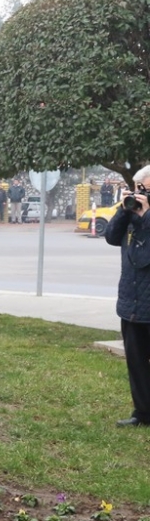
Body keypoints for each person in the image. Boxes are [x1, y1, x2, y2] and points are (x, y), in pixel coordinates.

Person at [105, 169, 150, 429]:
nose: (139, 194)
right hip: (132, 302)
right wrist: (124, 210)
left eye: (144, 189)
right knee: (136, 363)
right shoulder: (131, 213)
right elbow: (111, 237)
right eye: (137, 188)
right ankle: (142, 413)